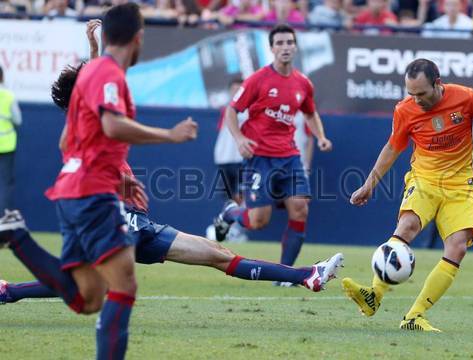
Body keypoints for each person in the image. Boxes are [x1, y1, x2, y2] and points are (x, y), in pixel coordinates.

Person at [0, 20, 343, 306]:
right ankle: (10, 285)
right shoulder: (83, 125)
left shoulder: (88, 117)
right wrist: (169, 136)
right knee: (90, 285)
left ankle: (306, 276)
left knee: (216, 253)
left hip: (139, 222)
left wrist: (92, 51)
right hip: (113, 219)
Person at [0, 4, 199, 359]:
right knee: (122, 285)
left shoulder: (91, 77)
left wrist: (115, 179)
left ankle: (17, 237)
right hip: (92, 192)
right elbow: (111, 125)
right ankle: (16, 239)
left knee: (87, 297)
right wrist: (168, 135)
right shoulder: (109, 77)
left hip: (74, 189)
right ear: (138, 38)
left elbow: (67, 142)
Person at [342, 58, 473, 332]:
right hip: (424, 179)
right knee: (407, 226)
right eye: (411, 94)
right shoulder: (405, 110)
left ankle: (414, 316)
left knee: (458, 247)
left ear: (438, 83)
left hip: (459, 186)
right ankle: (373, 296)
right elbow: (392, 148)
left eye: (422, 94)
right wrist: (369, 184)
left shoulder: (467, 98)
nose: (416, 100)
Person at [213, 25, 333, 274]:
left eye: (290, 42)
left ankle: (286, 274)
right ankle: (231, 213)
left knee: (300, 208)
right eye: (280, 43)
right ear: (272, 48)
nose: (285, 47)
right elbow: (232, 111)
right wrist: (239, 139)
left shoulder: (303, 83)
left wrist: (320, 136)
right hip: (260, 158)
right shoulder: (258, 79)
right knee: (258, 221)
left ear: (296, 46)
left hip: (289, 157)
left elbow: (311, 114)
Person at [210, 77, 249, 242]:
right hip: (224, 159)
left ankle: (237, 230)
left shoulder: (251, 109)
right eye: (233, 89)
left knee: (241, 196)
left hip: (242, 159)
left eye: (239, 89)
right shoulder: (227, 109)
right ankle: (229, 227)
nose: (235, 92)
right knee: (227, 197)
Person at [0, 66, 22, 213]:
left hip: (7, 146)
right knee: (6, 185)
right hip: (7, 145)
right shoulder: (8, 96)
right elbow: (18, 120)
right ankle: (2, 220)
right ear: (2, 77)